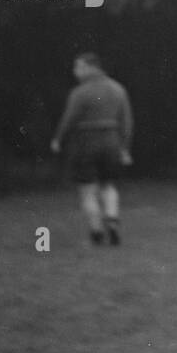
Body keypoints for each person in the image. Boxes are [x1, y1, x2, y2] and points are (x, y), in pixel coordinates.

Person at [50, 53, 133, 245]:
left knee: (87, 190)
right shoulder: (118, 89)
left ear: (90, 68)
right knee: (109, 185)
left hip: (86, 142)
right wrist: (125, 148)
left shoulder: (80, 92)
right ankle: (112, 220)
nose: (75, 71)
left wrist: (58, 139)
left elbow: (68, 118)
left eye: (78, 67)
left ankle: (96, 232)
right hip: (112, 140)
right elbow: (127, 121)